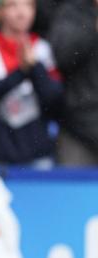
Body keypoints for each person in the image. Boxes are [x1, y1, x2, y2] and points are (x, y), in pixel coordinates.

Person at [0, 0, 62, 167]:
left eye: (28, 5)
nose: (21, 12)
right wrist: (21, 72)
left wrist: (35, 68)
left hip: (38, 155)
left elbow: (55, 100)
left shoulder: (43, 49)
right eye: (13, 5)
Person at [48, 0, 98, 165]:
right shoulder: (72, 12)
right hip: (78, 133)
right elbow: (62, 55)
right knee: (72, 188)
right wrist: (93, 27)